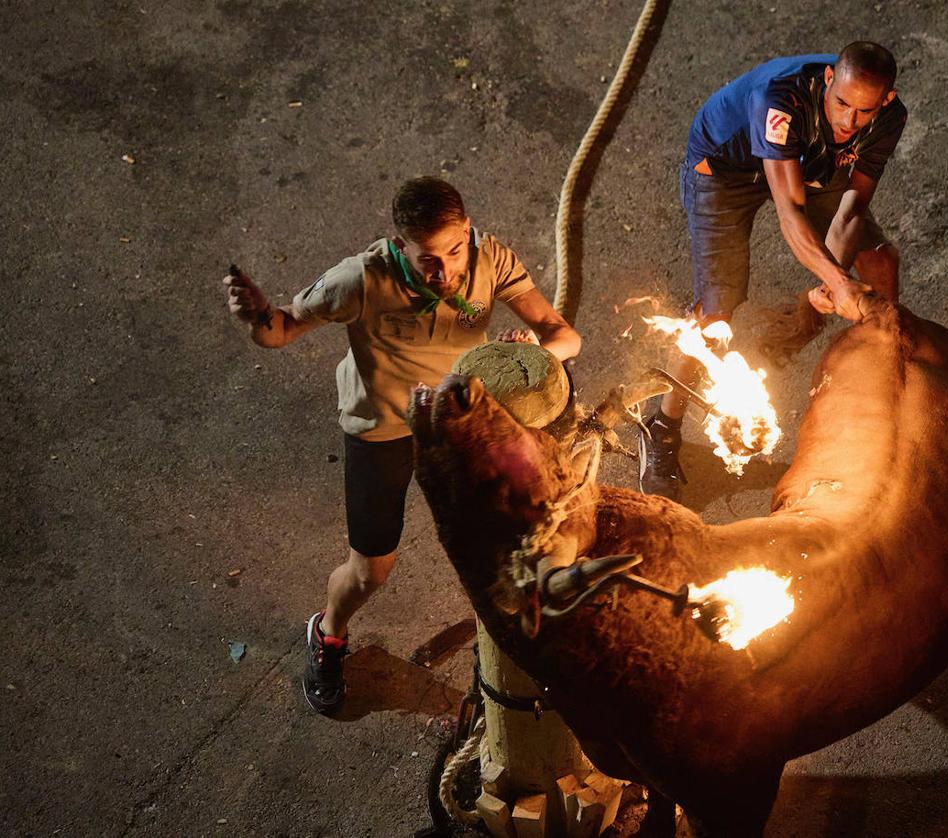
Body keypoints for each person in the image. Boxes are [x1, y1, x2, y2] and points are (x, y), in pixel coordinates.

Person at [223, 177, 581, 714]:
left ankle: (523, 652)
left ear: (467, 231)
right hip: (383, 428)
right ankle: (328, 632)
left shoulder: (492, 261)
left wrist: (535, 347)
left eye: (455, 251)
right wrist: (255, 316)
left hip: (458, 419)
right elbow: (279, 330)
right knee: (371, 572)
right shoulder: (359, 280)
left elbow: (564, 335)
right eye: (427, 260)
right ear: (400, 246)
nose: (444, 272)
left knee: (523, 527)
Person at [639, 42, 907, 500]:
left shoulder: (889, 118)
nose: (848, 121)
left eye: (863, 111)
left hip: (807, 163)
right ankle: (661, 424)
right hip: (725, 171)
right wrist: (840, 284)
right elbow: (791, 216)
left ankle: (879, 387)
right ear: (828, 81)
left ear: (884, 101)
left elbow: (851, 210)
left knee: (880, 257)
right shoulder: (779, 100)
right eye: (841, 103)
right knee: (714, 312)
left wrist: (831, 280)